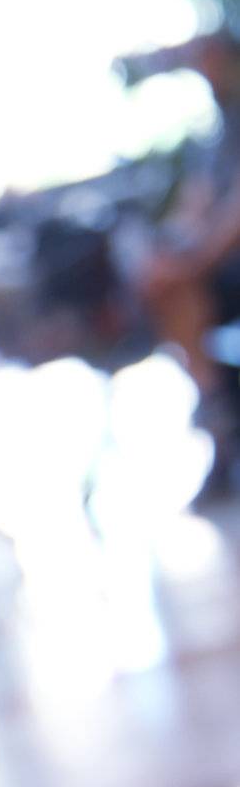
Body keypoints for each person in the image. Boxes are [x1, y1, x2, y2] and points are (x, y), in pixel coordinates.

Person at [140, 33, 240, 498]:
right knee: (165, 285)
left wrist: (192, 262)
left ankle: (219, 417)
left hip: (225, 261)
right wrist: (175, 247)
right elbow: (195, 205)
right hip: (221, 267)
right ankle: (218, 410)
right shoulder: (216, 133)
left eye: (209, 57)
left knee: (176, 287)